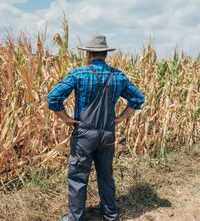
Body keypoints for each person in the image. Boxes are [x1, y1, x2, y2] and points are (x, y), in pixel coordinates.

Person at [47, 35, 145, 221]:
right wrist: (121, 118)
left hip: (84, 134)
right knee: (106, 174)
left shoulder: (79, 74)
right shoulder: (118, 76)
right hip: (107, 134)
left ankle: (76, 218)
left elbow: (53, 98)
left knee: (78, 177)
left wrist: (66, 118)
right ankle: (109, 213)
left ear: (89, 54)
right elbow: (138, 99)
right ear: (105, 54)